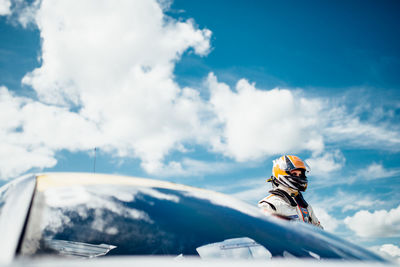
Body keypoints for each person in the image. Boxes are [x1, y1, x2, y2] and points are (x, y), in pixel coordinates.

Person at [258, 155, 323, 229]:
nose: (298, 177)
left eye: (300, 175)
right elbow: (261, 232)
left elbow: (319, 231)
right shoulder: (269, 204)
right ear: (281, 173)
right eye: (294, 174)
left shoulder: (306, 206)